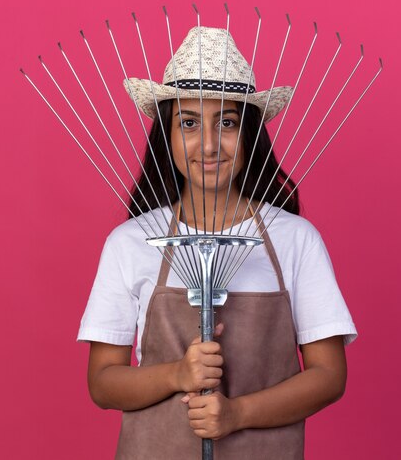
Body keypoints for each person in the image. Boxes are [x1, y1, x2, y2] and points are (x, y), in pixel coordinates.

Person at [77, 26, 357, 459]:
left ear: (249, 134)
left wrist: (237, 413)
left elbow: (328, 376)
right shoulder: (130, 243)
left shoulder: (295, 240)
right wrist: (178, 374)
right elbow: (102, 383)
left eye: (226, 122)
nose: (208, 145)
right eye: (188, 123)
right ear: (166, 135)